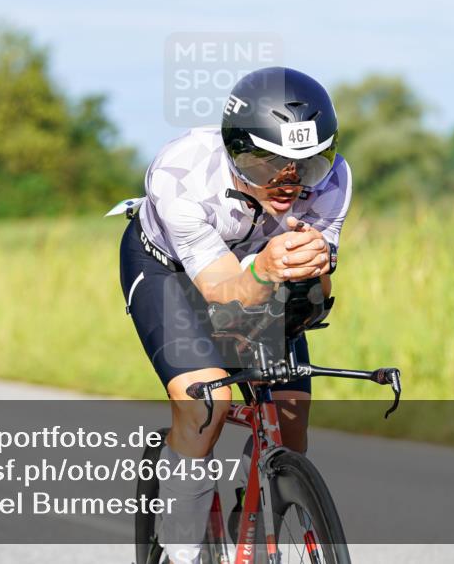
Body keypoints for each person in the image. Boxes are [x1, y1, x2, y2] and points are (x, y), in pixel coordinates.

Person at [117, 66, 351, 563]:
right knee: (207, 403)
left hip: (260, 275)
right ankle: (182, 553)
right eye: (269, 165)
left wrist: (316, 268)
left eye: (306, 166)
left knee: (289, 420)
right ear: (235, 150)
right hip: (172, 274)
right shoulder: (180, 172)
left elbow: (318, 293)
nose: (289, 184)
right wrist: (266, 272)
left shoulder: (334, 180)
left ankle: (257, 522)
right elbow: (222, 292)